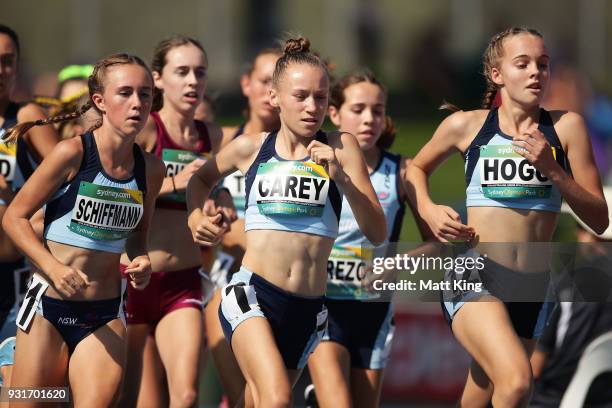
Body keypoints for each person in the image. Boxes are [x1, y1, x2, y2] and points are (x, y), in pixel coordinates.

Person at [407, 27, 608, 407]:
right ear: (498, 74)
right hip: (476, 274)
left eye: (543, 64)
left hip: (533, 286)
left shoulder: (567, 128)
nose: (536, 72)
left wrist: (554, 171)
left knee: (482, 392)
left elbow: (598, 219)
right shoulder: (467, 126)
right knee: (516, 382)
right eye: (523, 64)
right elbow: (415, 171)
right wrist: (430, 211)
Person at [187, 37, 386, 407]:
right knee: (277, 398)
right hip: (253, 294)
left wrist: (342, 178)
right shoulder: (252, 148)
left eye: (321, 97)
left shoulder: (342, 147)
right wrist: (196, 215)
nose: (313, 107)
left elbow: (377, 232)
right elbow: (200, 179)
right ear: (275, 97)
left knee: (258, 400)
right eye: (301, 96)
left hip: (308, 308)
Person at [2, 53, 164, 407]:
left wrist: (141, 260)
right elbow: (14, 218)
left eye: (145, 94)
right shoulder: (70, 154)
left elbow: (137, 237)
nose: (137, 103)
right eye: (125, 93)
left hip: (104, 314)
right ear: (100, 101)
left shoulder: (151, 169)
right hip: (48, 307)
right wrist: (55, 268)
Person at [306, 70, 429, 408]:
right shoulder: (312, 163)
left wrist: (398, 263)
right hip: (322, 307)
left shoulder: (402, 170)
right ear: (334, 114)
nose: (369, 119)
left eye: (378, 110)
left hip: (373, 311)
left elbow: (438, 243)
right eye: (358, 109)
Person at [118, 35, 228, 408]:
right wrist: (178, 182)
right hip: (135, 278)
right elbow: (118, 193)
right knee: (130, 397)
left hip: (183, 281)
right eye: (182, 71)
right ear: (159, 79)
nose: (193, 81)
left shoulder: (211, 135)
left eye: (200, 72)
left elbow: (220, 187)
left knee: (186, 396)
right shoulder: (148, 129)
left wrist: (222, 205)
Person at [206, 47, 282, 407]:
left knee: (265, 395)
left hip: (282, 288)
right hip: (223, 281)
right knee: (240, 394)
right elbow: (192, 192)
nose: (270, 91)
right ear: (246, 84)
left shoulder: (304, 152)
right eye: (263, 80)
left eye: (276, 82)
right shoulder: (220, 141)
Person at [0, 24, 60, 390]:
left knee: (17, 391)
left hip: (19, 281)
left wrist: (10, 197)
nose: (0, 70)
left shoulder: (26, 118)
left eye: (8, 62)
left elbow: (71, 179)